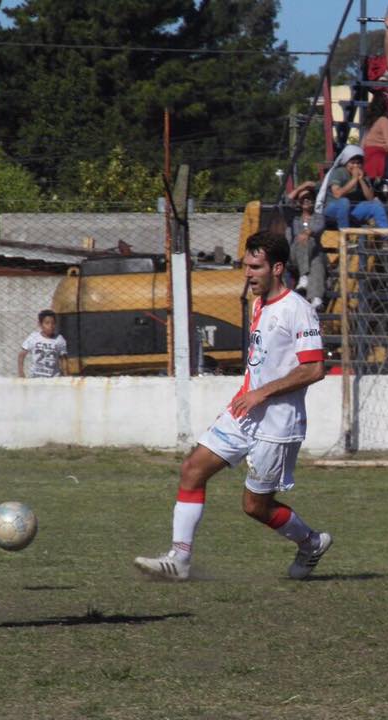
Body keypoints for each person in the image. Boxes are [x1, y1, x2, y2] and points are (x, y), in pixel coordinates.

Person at [135, 231, 331, 581]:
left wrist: (262, 393)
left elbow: (315, 369)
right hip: (244, 415)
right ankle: (179, 560)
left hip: (278, 425)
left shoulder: (297, 310)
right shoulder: (258, 304)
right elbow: (260, 362)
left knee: (255, 507)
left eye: (255, 267)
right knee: (193, 468)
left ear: (278, 268)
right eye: (245, 266)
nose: (248, 273)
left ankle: (311, 542)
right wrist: (241, 398)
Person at [317, 144, 388, 230]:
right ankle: (345, 234)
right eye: (352, 163)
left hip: (351, 211)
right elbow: (337, 194)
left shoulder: (363, 175)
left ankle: (387, 237)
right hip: (332, 210)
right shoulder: (338, 172)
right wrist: (354, 179)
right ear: (346, 163)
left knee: (376, 206)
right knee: (344, 202)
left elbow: (370, 198)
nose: (356, 166)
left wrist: (361, 180)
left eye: (358, 163)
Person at [286, 182, 328, 310]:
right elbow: (286, 201)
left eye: (309, 198)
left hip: (313, 255)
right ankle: (304, 276)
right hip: (294, 256)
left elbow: (318, 227)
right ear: (298, 202)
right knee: (305, 240)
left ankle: (315, 298)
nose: (306, 201)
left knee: (317, 263)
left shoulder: (318, 217)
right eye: (303, 199)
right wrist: (301, 187)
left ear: (314, 201)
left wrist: (308, 232)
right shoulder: (293, 217)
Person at [18, 309, 68, 378]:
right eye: (47, 323)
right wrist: (21, 372)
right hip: (35, 378)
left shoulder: (59, 339)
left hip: (53, 379)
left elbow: (63, 359)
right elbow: (21, 355)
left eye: (53, 323)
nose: (50, 326)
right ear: (40, 324)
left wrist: (65, 376)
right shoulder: (33, 337)